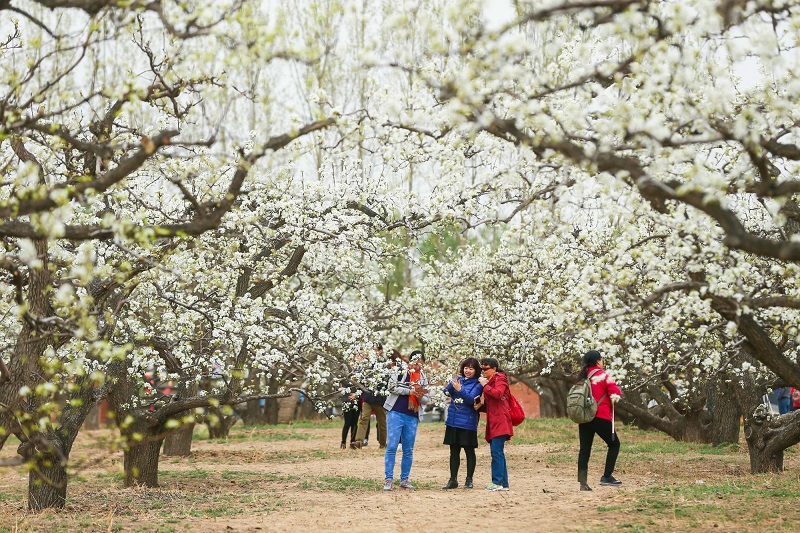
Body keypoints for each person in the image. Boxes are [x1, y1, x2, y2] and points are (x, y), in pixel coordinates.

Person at [383, 350, 430, 491]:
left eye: (420, 363)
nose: (417, 366)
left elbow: (426, 399)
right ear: (410, 361)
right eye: (415, 362)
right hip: (396, 412)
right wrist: (409, 391)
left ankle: (404, 479)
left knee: (408, 449)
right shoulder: (400, 371)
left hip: (412, 416)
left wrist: (419, 395)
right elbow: (391, 387)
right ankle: (388, 479)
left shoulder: (423, 377)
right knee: (391, 446)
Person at [576, 349, 623, 491]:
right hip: (600, 416)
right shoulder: (603, 375)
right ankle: (607, 476)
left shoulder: (582, 377)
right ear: (598, 361)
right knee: (614, 444)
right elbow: (615, 394)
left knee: (585, 449)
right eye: (601, 359)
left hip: (584, 417)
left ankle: (583, 483)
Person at [441, 357, 483, 489]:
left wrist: (460, 389)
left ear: (476, 370)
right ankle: (453, 479)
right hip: (453, 420)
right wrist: (452, 382)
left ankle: (469, 479)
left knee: (469, 451)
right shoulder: (459, 380)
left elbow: (471, 400)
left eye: (471, 368)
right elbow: (446, 392)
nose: (468, 371)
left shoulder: (477, 384)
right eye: (466, 368)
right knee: (454, 451)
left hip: (467, 422)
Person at [475, 357, 512, 492]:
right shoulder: (492, 381)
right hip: (494, 421)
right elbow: (493, 404)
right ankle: (504, 483)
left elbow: (498, 394)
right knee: (498, 453)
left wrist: (485, 385)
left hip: (501, 421)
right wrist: (480, 406)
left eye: (486, 368)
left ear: (494, 369)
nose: (483, 371)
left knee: (496, 452)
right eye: (482, 368)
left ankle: (497, 482)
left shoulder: (500, 379)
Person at [353, 343, 389, 449]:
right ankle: (359, 441)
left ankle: (383, 443)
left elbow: (386, 381)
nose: (373, 352)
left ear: (380, 351)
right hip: (368, 397)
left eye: (375, 350)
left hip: (380, 399)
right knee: (364, 419)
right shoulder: (366, 364)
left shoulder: (384, 364)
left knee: (382, 422)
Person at [339, 379, 361, 449]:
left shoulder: (360, 375)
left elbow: (362, 387)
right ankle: (343, 442)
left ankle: (353, 442)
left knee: (354, 423)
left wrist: (356, 394)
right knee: (347, 423)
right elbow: (335, 383)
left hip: (356, 402)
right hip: (347, 402)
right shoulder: (345, 376)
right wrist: (340, 388)